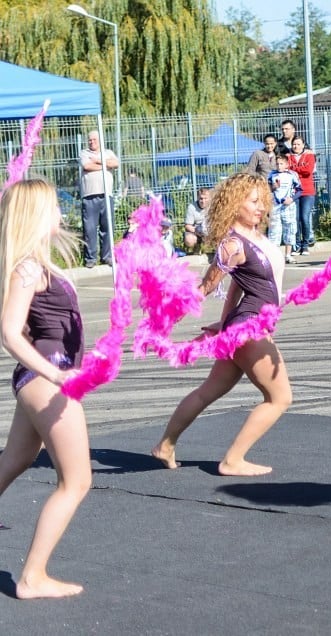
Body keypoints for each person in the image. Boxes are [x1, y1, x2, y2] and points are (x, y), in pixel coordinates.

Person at [152, 173, 292, 476]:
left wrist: (224, 322)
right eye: (253, 201)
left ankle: (165, 445)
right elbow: (204, 287)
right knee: (280, 397)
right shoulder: (232, 244)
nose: (260, 208)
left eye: (262, 201)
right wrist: (164, 322)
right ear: (233, 203)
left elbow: (237, 287)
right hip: (251, 328)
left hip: (241, 325)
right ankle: (233, 460)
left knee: (209, 391)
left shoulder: (257, 236)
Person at [0, 179, 91, 599]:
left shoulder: (37, 263)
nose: (61, 212)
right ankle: (33, 577)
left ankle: (34, 576)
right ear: (37, 214)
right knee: (76, 481)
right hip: (46, 380)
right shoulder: (28, 268)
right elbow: (8, 332)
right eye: (54, 205)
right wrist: (55, 375)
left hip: (41, 379)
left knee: (15, 460)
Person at [78, 130, 119, 268]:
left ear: (100, 140)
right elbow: (87, 166)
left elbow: (115, 163)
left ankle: (107, 256)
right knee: (90, 228)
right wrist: (104, 166)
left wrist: (98, 160)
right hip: (89, 196)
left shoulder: (108, 153)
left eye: (94, 140)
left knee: (107, 227)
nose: (92, 142)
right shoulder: (84, 153)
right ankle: (90, 259)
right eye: (90, 140)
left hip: (106, 195)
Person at [267, 152, 302, 264]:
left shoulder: (292, 175)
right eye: (277, 164)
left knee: (290, 229)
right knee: (274, 230)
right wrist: (273, 187)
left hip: (289, 206)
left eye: (281, 164)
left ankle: (288, 254)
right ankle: (275, 257)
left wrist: (291, 199)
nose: (279, 166)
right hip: (275, 206)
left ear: (287, 164)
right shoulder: (271, 175)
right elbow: (267, 190)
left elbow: (299, 190)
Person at [288, 136, 316, 255]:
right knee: (295, 219)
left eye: (298, 144)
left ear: (303, 145)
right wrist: (298, 169)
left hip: (307, 191)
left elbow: (308, 171)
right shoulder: (288, 156)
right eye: (294, 144)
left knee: (304, 218)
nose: (296, 146)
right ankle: (297, 245)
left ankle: (305, 245)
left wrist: (295, 169)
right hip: (294, 192)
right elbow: (287, 169)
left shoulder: (309, 155)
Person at [184, 187, 211, 255]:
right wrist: (197, 231)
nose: (203, 201)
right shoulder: (192, 207)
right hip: (196, 230)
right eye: (201, 198)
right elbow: (187, 225)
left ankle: (218, 252)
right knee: (189, 240)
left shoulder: (213, 206)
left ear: (210, 198)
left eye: (205, 198)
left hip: (210, 229)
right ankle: (196, 247)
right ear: (198, 198)